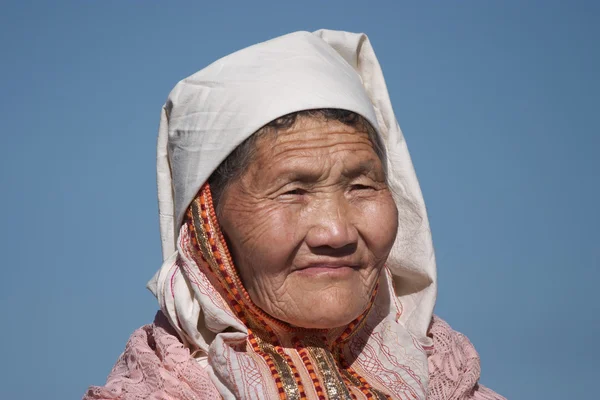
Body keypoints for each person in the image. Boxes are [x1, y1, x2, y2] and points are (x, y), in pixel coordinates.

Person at [84, 30, 505, 400]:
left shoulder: (450, 383)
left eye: (361, 186)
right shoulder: (160, 390)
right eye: (293, 192)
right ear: (207, 225)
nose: (337, 231)